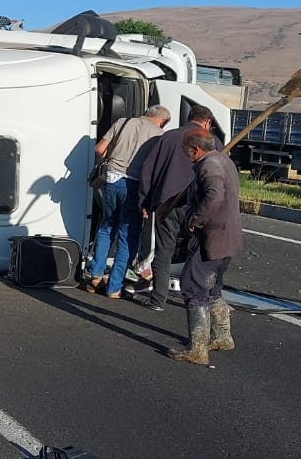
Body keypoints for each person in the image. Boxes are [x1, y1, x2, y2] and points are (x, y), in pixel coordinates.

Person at [130, 106, 218, 311]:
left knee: (164, 251)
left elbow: (148, 170)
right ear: (207, 123)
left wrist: (145, 200)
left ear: (189, 118)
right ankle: (196, 299)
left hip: (166, 204)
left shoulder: (168, 137)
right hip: (197, 206)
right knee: (197, 253)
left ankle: (158, 298)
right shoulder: (213, 142)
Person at [169, 131, 243, 365]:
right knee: (213, 288)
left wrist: (195, 220)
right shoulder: (224, 161)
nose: (184, 154)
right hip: (229, 236)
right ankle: (222, 336)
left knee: (193, 286)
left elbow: (214, 196)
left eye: (185, 150)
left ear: (195, 149)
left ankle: (198, 349)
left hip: (212, 237)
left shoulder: (209, 166)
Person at [83, 105, 166, 297]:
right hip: (135, 186)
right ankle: (114, 287)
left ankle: (95, 275)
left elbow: (99, 148)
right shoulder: (159, 135)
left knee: (107, 227)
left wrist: (112, 162)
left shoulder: (123, 122)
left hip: (111, 180)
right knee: (128, 236)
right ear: (161, 120)